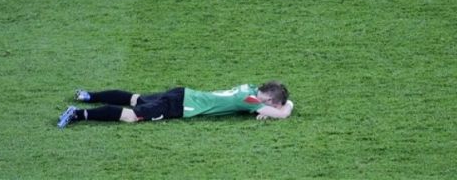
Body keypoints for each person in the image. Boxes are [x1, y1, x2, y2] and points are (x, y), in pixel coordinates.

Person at [57, 81, 293, 128]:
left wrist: (261, 113)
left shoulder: (249, 88)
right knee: (131, 115)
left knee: (135, 98)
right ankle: (78, 115)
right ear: (271, 100)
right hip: (180, 107)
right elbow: (283, 114)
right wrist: (286, 106)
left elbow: (255, 107)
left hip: (182, 93)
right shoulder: (250, 101)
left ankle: (88, 95)